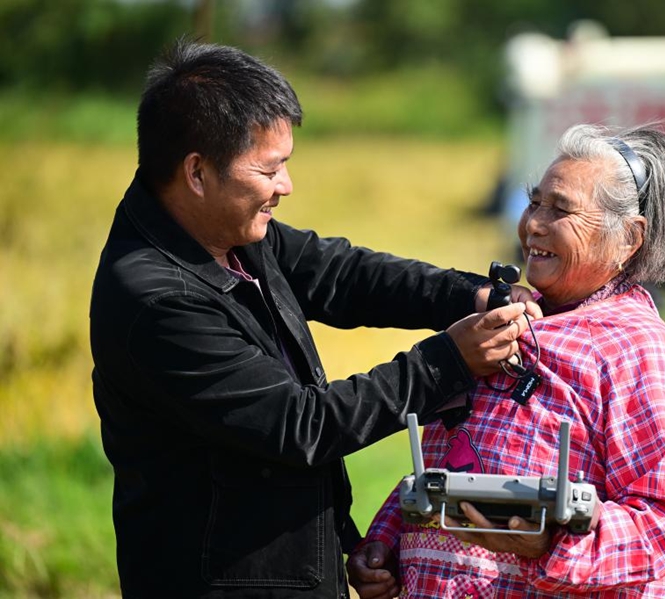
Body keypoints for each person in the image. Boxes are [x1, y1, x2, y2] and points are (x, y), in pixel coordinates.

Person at [89, 39, 541, 599]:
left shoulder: (226, 232)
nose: (285, 186)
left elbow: (343, 275)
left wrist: (465, 294)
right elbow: (301, 426)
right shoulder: (156, 300)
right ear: (197, 173)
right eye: (270, 169)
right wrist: (447, 362)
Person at [348, 123, 665, 598]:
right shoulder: (498, 325)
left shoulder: (641, 353)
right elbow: (449, 460)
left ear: (628, 239)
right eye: (534, 202)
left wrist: (550, 544)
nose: (533, 223)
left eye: (560, 209)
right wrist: (386, 544)